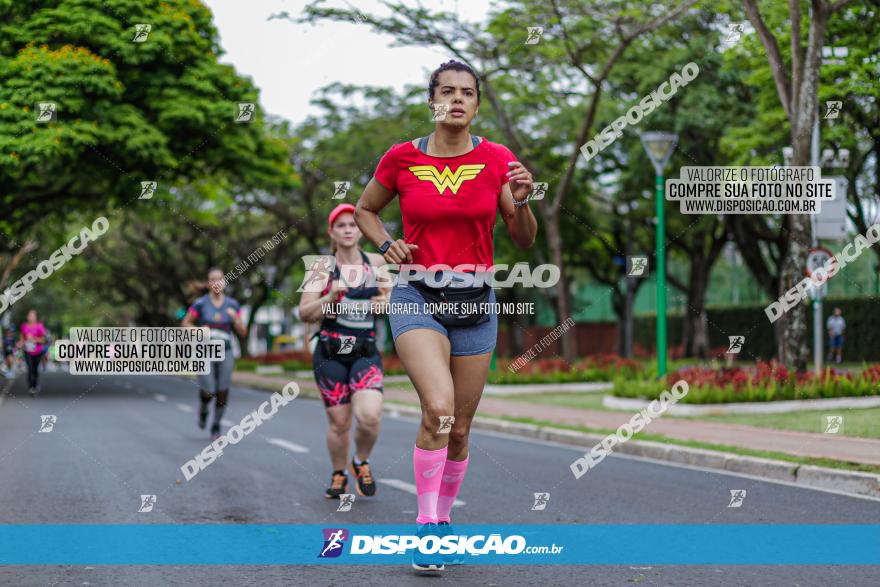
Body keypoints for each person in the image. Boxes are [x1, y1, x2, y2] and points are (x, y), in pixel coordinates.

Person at [353, 60, 537, 573]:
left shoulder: (498, 160)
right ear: (432, 100)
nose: (457, 100)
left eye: (468, 93)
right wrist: (387, 244)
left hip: (476, 304)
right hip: (418, 296)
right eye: (447, 91)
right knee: (439, 407)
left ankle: (444, 517)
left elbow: (524, 238)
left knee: (460, 429)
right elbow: (365, 209)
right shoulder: (401, 159)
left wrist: (521, 203)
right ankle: (426, 526)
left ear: (477, 104)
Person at [298, 203, 392, 500]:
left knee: (370, 416)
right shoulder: (320, 268)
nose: (348, 230)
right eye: (341, 225)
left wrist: (384, 301)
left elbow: (390, 298)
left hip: (365, 352)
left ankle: (360, 461)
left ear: (361, 230)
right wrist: (330, 296)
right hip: (330, 353)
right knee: (339, 423)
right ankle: (338, 474)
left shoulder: (376, 263)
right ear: (332, 232)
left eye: (353, 224)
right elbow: (304, 312)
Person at [181, 268, 247, 440]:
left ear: (224, 282)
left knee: (222, 390)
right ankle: (203, 410)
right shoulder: (201, 304)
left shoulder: (232, 305)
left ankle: (216, 424)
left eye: (219, 279)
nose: (216, 282)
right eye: (213, 279)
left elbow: (242, 332)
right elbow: (185, 323)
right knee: (209, 390)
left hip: (225, 350)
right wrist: (198, 329)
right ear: (209, 283)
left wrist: (236, 319)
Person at [20, 309, 48, 395]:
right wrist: (21, 342)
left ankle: (35, 385)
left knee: (35, 369)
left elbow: (43, 340)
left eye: (32, 315)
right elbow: (22, 337)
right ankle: (31, 387)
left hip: (37, 351)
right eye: (29, 315)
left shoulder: (39, 326)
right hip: (27, 351)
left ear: (36, 317)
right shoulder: (24, 326)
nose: (30, 317)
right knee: (30, 368)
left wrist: (34, 339)